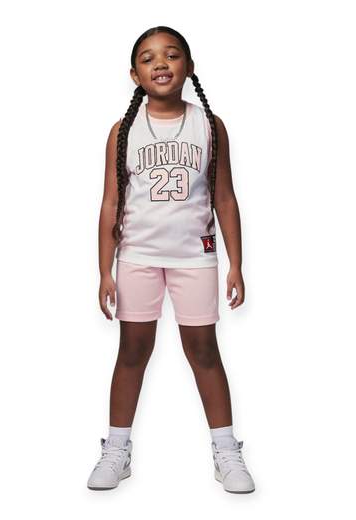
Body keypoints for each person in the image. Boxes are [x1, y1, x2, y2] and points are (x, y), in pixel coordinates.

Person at [88, 26, 255, 494]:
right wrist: (104, 270)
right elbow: (110, 203)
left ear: (189, 66)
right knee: (132, 352)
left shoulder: (209, 125)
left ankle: (226, 450)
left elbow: (225, 198)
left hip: (194, 258)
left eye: (172, 55)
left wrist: (236, 264)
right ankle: (116, 449)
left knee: (204, 352)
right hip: (138, 256)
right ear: (134, 75)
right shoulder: (123, 131)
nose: (160, 63)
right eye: (148, 58)